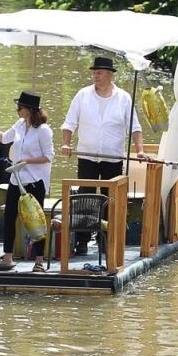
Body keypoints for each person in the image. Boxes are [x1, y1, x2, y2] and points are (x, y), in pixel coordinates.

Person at [59, 54, 144, 251]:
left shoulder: (123, 98)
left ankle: (106, 238)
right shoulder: (82, 95)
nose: (95, 76)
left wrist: (139, 150)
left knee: (110, 199)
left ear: (109, 75)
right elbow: (70, 122)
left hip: (112, 158)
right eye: (94, 73)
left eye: (99, 73)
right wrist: (66, 143)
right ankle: (82, 239)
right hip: (87, 155)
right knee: (85, 197)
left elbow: (134, 127)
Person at [0, 90, 53, 273]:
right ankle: (8, 256)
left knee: (36, 218)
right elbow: (4, 138)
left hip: (35, 180)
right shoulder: (19, 125)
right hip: (16, 178)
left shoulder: (43, 130)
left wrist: (27, 161)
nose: (17, 110)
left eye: (20, 107)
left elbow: (49, 156)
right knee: (10, 215)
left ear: (29, 110)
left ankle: (39, 260)